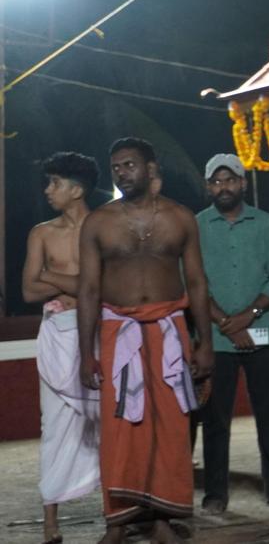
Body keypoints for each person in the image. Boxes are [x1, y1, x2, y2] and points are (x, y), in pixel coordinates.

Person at [76, 137, 214, 544]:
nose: (122, 173)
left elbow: (198, 283)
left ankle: (162, 520)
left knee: (171, 426)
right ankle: (117, 521)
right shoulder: (98, 222)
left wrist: (205, 342)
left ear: (150, 168)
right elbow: (87, 289)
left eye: (130, 165)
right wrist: (87, 355)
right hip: (118, 333)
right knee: (121, 428)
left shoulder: (180, 218)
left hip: (169, 331)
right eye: (116, 167)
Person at [195, 154, 269, 513]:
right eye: (216, 181)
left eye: (230, 180)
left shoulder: (267, 224)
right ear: (208, 187)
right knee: (215, 420)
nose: (224, 187)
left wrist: (247, 316)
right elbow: (193, 282)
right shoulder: (197, 226)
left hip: (262, 333)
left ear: (242, 183)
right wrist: (227, 323)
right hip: (217, 340)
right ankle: (216, 494)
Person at [22, 151, 101, 544]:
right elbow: (28, 289)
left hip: (98, 333)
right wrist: (78, 281)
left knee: (108, 424)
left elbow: (104, 287)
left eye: (55, 183)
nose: (48, 190)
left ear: (77, 189)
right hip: (56, 335)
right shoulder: (41, 232)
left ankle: (115, 512)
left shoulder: (103, 228)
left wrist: (53, 275)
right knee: (53, 428)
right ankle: (50, 522)